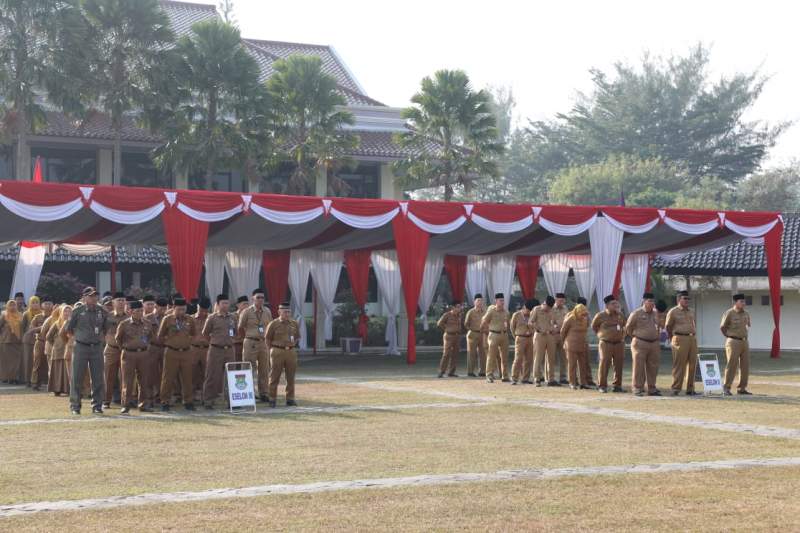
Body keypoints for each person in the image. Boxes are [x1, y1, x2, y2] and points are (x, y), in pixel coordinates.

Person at [66, 287, 109, 415]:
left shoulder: (102, 311)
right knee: (77, 377)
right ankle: (75, 406)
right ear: (84, 297)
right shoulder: (77, 311)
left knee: (98, 378)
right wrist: (78, 339)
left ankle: (97, 405)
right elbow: (69, 329)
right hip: (80, 347)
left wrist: (98, 340)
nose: (94, 298)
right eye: (91, 296)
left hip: (96, 347)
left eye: (96, 296)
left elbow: (105, 328)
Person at [157, 298, 197, 411]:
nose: (181, 312)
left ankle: (188, 401)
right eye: (179, 309)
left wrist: (188, 343)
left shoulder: (190, 319)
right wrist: (170, 342)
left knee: (187, 378)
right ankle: (165, 402)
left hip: (186, 352)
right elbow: (160, 335)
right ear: (173, 308)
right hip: (171, 352)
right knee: (168, 378)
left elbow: (194, 334)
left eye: (184, 309)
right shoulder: (167, 319)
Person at [116, 300, 153, 414]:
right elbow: (118, 339)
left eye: (141, 310)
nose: (140, 313)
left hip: (143, 354)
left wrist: (145, 346)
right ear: (131, 311)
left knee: (144, 380)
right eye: (137, 311)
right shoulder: (124, 324)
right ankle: (126, 405)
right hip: (128, 354)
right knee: (127, 381)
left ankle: (143, 404)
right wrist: (125, 349)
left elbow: (150, 337)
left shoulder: (147, 323)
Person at [201, 294, 237, 409]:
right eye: (223, 303)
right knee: (212, 375)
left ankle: (231, 401)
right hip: (215, 349)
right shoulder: (212, 318)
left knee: (231, 376)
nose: (226, 305)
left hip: (229, 350)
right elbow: (205, 333)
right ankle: (208, 400)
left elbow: (235, 332)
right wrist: (214, 342)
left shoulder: (233, 317)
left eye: (227, 303)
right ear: (217, 304)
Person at [238, 289, 272, 401]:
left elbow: (270, 327)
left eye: (262, 297)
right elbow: (240, 328)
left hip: (263, 342)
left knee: (264, 368)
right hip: (250, 341)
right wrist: (248, 337)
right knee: (247, 367)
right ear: (253, 298)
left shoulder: (267, 311)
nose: (261, 299)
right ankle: (247, 392)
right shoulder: (247, 311)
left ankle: (264, 393)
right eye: (258, 297)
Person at [625, 292, 661, 397]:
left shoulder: (655, 313)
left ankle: (652, 388)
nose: (652, 303)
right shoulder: (636, 313)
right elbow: (628, 328)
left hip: (653, 343)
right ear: (644, 302)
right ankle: (637, 388)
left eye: (653, 301)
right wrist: (637, 337)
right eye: (649, 301)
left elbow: (658, 325)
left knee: (653, 366)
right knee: (638, 366)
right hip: (640, 343)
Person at [265, 302, 300, 407]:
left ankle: (290, 398)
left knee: (291, 376)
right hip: (277, 351)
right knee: (274, 376)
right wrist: (271, 350)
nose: (287, 314)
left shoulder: (294, 323)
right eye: (285, 312)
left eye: (289, 312)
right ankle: (272, 398)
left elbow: (297, 336)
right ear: (279, 312)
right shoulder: (274, 324)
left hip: (291, 351)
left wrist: (292, 345)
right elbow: (267, 338)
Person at [665, 291, 699, 396]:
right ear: (679, 299)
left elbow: (694, 324)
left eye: (688, 299)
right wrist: (673, 338)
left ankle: (690, 389)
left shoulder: (692, 311)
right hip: (679, 338)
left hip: (691, 338)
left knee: (693, 364)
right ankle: (676, 388)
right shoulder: (673, 311)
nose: (687, 300)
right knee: (679, 364)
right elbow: (668, 326)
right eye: (685, 298)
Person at [592, 295, 626, 393]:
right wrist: (602, 335)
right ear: (607, 305)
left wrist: (621, 314)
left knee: (619, 364)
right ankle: (602, 386)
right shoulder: (600, 315)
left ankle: (617, 386)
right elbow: (594, 327)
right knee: (604, 363)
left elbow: (625, 324)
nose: (615, 305)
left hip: (619, 343)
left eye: (616, 303)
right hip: (606, 343)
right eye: (613, 304)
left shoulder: (620, 315)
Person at [720, 293, 752, 396]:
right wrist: (729, 337)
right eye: (741, 301)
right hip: (733, 342)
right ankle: (726, 387)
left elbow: (748, 326)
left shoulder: (746, 313)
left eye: (744, 301)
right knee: (732, 365)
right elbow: (722, 327)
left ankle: (742, 388)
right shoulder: (729, 313)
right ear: (736, 302)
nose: (744, 303)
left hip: (744, 341)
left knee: (745, 365)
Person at [101, 292, 127, 408]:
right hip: (111, 349)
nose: (121, 302)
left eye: (122, 300)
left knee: (125, 377)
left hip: (125, 350)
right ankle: (106, 401)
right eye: (118, 300)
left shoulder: (129, 317)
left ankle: (125, 401)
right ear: (113, 303)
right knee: (108, 376)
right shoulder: (107, 317)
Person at [481, 293, 510, 383]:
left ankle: (504, 375)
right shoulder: (491, 311)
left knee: (504, 356)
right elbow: (484, 321)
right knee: (491, 356)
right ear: (496, 301)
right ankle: (489, 375)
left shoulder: (506, 312)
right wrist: (486, 332)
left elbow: (507, 323)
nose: (502, 302)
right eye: (500, 300)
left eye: (503, 300)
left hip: (504, 335)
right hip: (493, 335)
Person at [531, 295, 560, 387]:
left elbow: (555, 323)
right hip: (540, 336)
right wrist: (538, 329)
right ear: (544, 303)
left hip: (550, 336)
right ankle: (537, 378)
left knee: (551, 358)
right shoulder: (536, 309)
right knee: (538, 358)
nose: (548, 309)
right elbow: (530, 322)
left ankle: (551, 379)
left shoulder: (552, 310)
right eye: (547, 307)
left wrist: (555, 328)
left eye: (550, 308)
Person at [562, 303, 592, 390]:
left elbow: (586, 329)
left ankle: (583, 383)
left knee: (583, 365)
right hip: (571, 345)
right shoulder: (570, 318)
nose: (583, 315)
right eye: (582, 313)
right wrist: (564, 342)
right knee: (572, 365)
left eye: (585, 313)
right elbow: (563, 331)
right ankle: (572, 382)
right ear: (577, 312)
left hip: (582, 344)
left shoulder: (585, 319)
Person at [30, 299, 57, 391]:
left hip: (51, 343)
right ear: (42, 305)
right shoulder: (37, 317)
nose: (48, 305)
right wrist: (44, 326)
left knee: (50, 363)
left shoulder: (55, 317)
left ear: (53, 305)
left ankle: (50, 384)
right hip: (40, 342)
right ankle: (35, 383)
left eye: (50, 304)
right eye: (46, 304)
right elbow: (32, 329)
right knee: (37, 362)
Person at [47, 305, 72, 396]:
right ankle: (56, 389)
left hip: (69, 350)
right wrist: (55, 344)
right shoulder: (57, 323)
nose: (67, 313)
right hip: (58, 350)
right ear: (61, 313)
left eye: (69, 311)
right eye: (65, 311)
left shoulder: (73, 323)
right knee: (57, 370)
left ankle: (68, 389)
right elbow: (48, 336)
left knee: (67, 370)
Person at [510, 299, 536, 385]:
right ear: (524, 308)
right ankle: (514, 378)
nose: (529, 313)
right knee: (518, 359)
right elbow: (512, 327)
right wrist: (517, 337)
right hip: (520, 338)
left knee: (528, 359)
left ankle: (525, 378)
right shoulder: (516, 315)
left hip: (530, 338)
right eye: (528, 311)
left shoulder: (532, 315)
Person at [436, 301, 463, 378]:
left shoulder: (459, 316)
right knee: (446, 354)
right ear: (453, 307)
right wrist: (446, 329)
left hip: (457, 336)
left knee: (455, 354)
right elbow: (439, 323)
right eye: (458, 307)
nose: (459, 308)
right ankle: (441, 371)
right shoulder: (447, 315)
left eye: (460, 307)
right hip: (448, 336)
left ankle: (451, 372)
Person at [192, 298, 211, 404]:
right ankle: (191, 395)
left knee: (206, 373)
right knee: (192, 373)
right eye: (201, 310)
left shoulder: (211, 318)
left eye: (205, 310)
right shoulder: (190, 319)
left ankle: (206, 396)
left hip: (207, 349)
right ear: (197, 307)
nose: (203, 312)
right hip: (193, 348)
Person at [463, 294, 488, 377]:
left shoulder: (485, 312)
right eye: (478, 301)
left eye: (481, 301)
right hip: (472, 334)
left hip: (482, 334)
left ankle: (482, 371)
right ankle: (470, 371)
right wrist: (471, 329)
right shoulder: (470, 312)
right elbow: (466, 324)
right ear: (474, 302)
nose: (480, 302)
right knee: (471, 353)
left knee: (482, 353)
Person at [20, 296, 42, 386]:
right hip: (28, 341)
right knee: (28, 360)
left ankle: (36, 380)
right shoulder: (26, 314)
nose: (35, 304)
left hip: (38, 340)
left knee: (36, 361)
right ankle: (27, 380)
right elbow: (22, 328)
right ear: (29, 304)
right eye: (33, 302)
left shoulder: (42, 314)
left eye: (36, 302)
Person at [0, 300, 24, 384]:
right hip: (6, 341)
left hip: (17, 341)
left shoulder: (20, 315)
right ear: (7, 306)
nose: (12, 307)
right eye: (10, 305)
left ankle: (14, 378)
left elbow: (23, 327)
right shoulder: (4, 315)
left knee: (16, 362)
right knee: (6, 362)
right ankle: (6, 378)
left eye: (14, 305)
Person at [575, 297, 597, 386]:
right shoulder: (571, 315)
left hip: (584, 339)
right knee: (574, 363)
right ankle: (574, 380)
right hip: (574, 341)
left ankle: (588, 379)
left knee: (586, 361)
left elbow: (589, 325)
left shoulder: (587, 314)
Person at [552, 293, 569, 384]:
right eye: (560, 300)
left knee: (564, 357)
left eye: (563, 300)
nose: (562, 302)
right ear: (556, 300)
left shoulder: (565, 309)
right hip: (553, 335)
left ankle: (563, 377)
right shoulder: (551, 308)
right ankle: (551, 377)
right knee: (551, 357)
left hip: (563, 336)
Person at [233, 295, 249, 363]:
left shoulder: (250, 316)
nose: (246, 306)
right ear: (238, 305)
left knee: (247, 365)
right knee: (236, 365)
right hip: (236, 345)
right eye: (244, 304)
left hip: (248, 345)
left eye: (247, 304)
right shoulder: (232, 316)